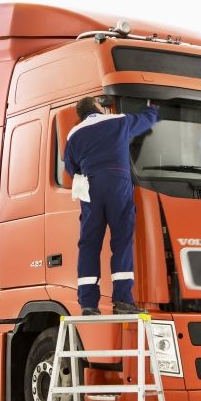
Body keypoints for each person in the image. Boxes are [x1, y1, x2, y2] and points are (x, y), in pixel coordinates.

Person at [63, 96, 159, 315]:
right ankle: (123, 301)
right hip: (117, 183)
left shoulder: (73, 134)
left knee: (89, 244)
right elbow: (145, 121)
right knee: (122, 240)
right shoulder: (117, 120)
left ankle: (88, 304)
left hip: (90, 188)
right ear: (98, 107)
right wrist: (153, 108)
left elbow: (70, 167)